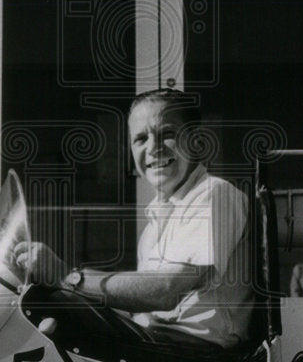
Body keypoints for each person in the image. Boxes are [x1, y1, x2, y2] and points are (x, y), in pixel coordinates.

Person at [15, 88, 252, 348]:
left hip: (199, 357)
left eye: (168, 134)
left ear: (196, 142)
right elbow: (144, 308)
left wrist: (68, 278)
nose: (154, 148)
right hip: (162, 348)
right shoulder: (157, 221)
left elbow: (166, 291)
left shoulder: (213, 193)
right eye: (140, 138)